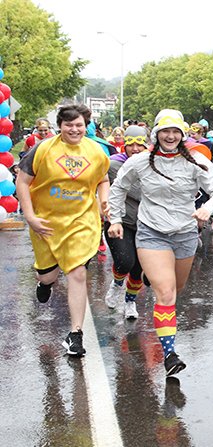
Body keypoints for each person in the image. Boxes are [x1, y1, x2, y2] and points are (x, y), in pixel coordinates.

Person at [108, 109, 213, 377]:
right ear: (156, 133)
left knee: (176, 289)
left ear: (183, 135)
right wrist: (115, 219)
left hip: (185, 233)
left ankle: (158, 294)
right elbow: (118, 188)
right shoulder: (140, 161)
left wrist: (207, 208)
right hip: (151, 231)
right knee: (165, 293)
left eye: (175, 131)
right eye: (165, 131)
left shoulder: (196, 161)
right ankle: (170, 354)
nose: (170, 136)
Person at [15, 104, 111, 357]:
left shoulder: (96, 151)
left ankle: (75, 334)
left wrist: (104, 201)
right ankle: (45, 282)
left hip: (81, 221)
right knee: (47, 276)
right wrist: (30, 216)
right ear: (60, 126)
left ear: (86, 126)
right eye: (68, 124)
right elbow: (22, 181)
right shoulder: (43, 149)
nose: (74, 129)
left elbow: (103, 178)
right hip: (46, 223)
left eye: (79, 124)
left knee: (77, 273)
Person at [104, 125, 150, 320]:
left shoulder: (154, 165)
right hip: (119, 222)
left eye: (140, 145)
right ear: (124, 145)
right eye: (131, 144)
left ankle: (130, 302)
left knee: (139, 269)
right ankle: (116, 284)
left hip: (147, 224)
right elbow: (97, 182)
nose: (135, 149)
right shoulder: (113, 165)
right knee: (125, 261)